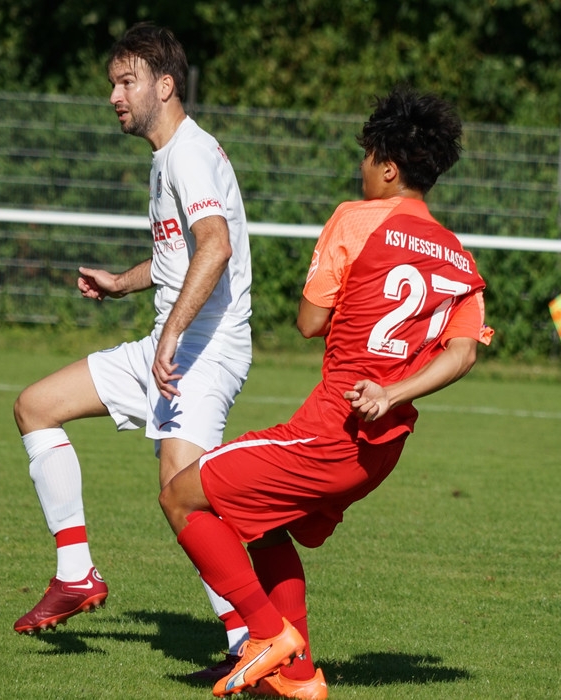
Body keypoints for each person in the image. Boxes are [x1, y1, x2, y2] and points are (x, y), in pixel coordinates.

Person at [159, 85, 494, 698]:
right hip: (381, 446)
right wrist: (395, 393)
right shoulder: (456, 255)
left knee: (183, 498)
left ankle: (266, 635)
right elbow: (463, 352)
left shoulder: (355, 219)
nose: (361, 168)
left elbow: (311, 320)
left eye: (367, 157)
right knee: (264, 524)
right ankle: (298, 677)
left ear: (388, 167)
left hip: (332, 427)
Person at [12, 22, 254, 659]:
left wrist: (171, 334)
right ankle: (74, 574)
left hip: (204, 350)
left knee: (184, 494)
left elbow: (216, 246)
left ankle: (250, 638)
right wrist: (124, 282)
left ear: (165, 84)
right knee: (35, 406)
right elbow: (180, 255)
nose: (115, 96)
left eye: (127, 82)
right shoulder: (166, 157)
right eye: (112, 85)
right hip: (170, 342)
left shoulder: (191, 153)